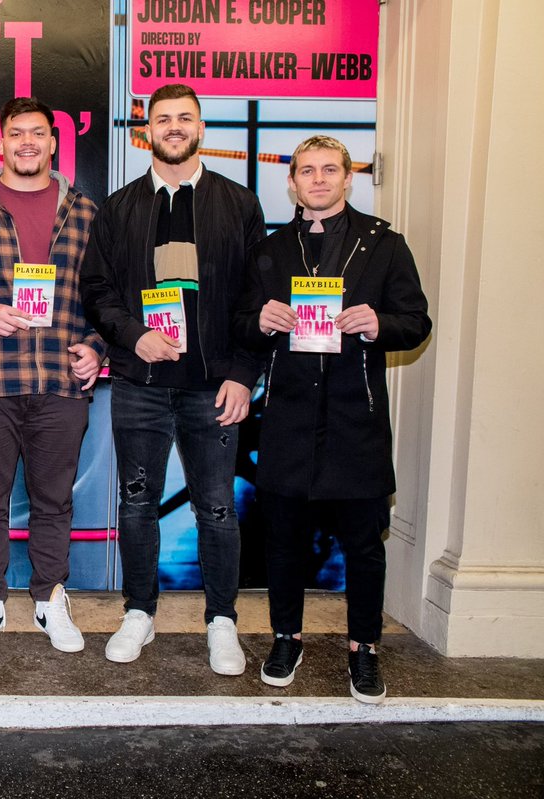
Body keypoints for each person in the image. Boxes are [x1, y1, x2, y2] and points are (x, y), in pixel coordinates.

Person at [233, 135, 431, 703]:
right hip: (289, 420)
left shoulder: (385, 245)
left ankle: (364, 649)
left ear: (348, 179)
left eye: (329, 170)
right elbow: (241, 326)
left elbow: (416, 322)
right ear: (291, 183)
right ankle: (285, 638)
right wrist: (260, 318)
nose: (317, 180)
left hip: (356, 420)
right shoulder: (270, 251)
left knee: (365, 546)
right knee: (284, 542)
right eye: (306, 171)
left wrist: (378, 322)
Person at [80, 83, 264, 674]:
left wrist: (242, 374)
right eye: (163, 119)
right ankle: (139, 612)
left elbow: (255, 299)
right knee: (136, 503)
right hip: (140, 382)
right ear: (148, 131)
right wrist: (134, 335)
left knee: (216, 508)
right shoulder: (120, 207)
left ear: (201, 128)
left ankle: (222, 621)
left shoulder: (239, 205)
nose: (174, 127)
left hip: (213, 388)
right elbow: (97, 291)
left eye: (185, 118)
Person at [0, 97, 104, 653]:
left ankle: (49, 597)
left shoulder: (86, 211)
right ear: (0, 143)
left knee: (54, 502)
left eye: (37, 133)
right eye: (16, 133)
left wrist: (96, 346)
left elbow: (104, 296)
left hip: (62, 383)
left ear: (53, 142)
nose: (27, 143)